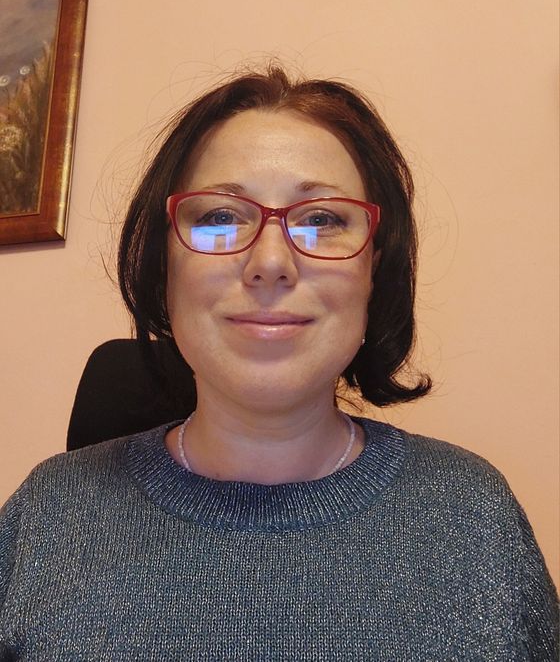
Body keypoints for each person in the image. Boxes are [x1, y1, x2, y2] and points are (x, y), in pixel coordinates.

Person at [0, 66, 557, 660]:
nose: (270, 263)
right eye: (219, 217)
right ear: (164, 268)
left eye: (322, 220)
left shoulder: (473, 517)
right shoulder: (47, 517)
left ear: (374, 271)